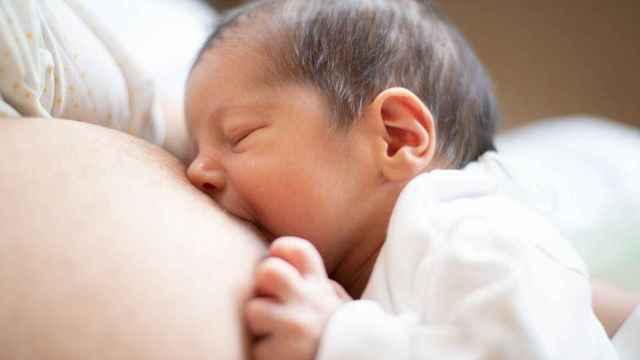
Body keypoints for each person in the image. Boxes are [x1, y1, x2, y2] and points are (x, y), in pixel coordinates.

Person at [184, 1, 638, 359]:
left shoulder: (474, 233)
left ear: (397, 138)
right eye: (194, 148)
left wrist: (341, 337)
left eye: (239, 135)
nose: (196, 171)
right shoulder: (380, 269)